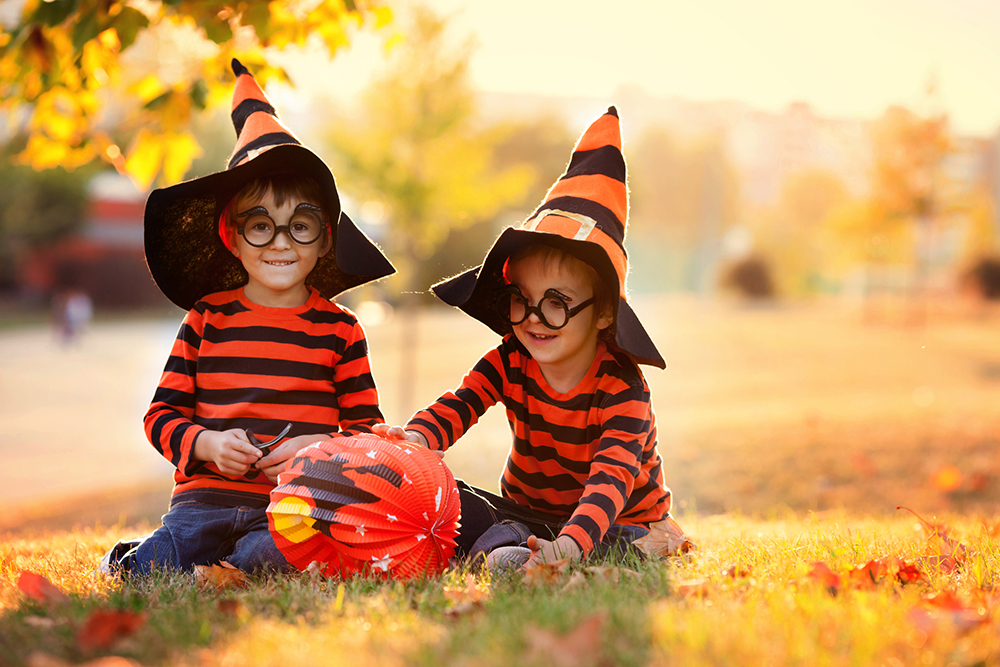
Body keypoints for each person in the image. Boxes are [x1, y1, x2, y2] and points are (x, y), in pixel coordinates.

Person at [100, 59, 395, 576]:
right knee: (161, 561)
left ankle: (230, 566)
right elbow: (160, 418)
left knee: (272, 557)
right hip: (202, 503)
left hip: (292, 508)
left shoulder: (341, 330)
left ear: (326, 238)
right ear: (232, 237)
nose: (280, 242)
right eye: (261, 226)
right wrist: (208, 444)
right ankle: (139, 558)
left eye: (299, 225)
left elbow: (368, 437)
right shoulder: (206, 320)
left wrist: (321, 447)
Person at [375, 107, 671, 570]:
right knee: (455, 501)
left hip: (617, 517)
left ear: (604, 314)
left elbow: (610, 481)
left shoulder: (621, 388)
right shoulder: (511, 359)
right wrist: (416, 438)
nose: (533, 318)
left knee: (619, 544)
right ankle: (510, 544)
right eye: (522, 298)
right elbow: (460, 403)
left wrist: (571, 546)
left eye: (557, 302)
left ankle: (551, 548)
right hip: (529, 510)